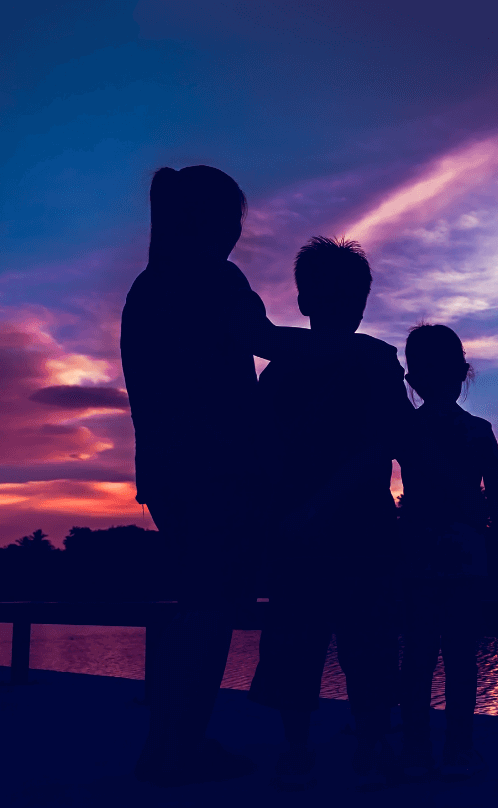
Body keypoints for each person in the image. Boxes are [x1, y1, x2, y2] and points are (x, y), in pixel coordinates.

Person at [121, 165, 311, 787]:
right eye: (233, 221)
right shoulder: (217, 280)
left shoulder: (147, 288)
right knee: (209, 608)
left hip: (168, 474)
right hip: (219, 476)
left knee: (194, 605)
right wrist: (342, 347)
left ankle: (170, 741)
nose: (236, 234)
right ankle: (175, 748)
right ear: (215, 223)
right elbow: (264, 341)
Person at [247, 236, 411, 790]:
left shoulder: (368, 361)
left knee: (352, 639)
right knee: (330, 639)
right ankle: (351, 744)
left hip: (335, 525)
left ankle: (332, 745)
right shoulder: (371, 360)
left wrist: (302, 511)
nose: (348, 305)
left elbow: (378, 447)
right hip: (330, 525)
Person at [397, 324, 498, 779]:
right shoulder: (478, 431)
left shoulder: (406, 429)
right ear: (462, 372)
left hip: (418, 554)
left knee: (419, 657)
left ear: (414, 378)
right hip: (465, 554)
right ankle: (458, 748)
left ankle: (417, 750)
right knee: (460, 657)